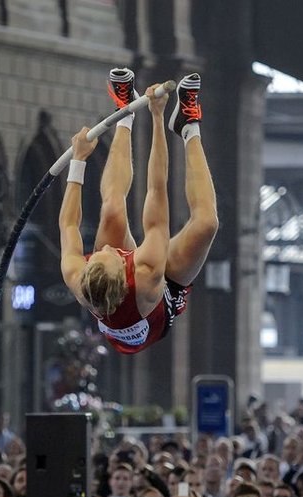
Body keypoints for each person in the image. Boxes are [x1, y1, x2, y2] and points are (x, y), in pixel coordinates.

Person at [60, 69, 218, 354]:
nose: (107, 246)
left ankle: (124, 113)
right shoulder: (146, 273)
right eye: (111, 254)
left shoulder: (77, 275)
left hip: (119, 297)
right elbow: (157, 189)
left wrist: (79, 160)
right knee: (207, 224)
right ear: (125, 269)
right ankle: (187, 125)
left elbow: (69, 224)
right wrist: (158, 118)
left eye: (97, 253)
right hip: (161, 299)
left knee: (111, 209)